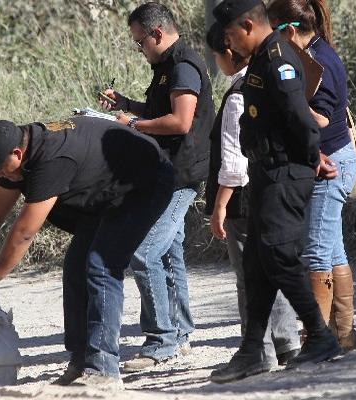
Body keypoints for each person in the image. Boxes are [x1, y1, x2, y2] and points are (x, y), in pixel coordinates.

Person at [0, 116, 175, 389]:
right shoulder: (16, 162)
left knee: (101, 265)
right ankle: (81, 363)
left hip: (146, 181)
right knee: (76, 267)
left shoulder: (52, 160)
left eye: (0, 167)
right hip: (107, 190)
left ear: (17, 153)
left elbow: (24, 232)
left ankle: (104, 369)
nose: (0, 174)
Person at [209, 0, 341, 384]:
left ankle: (319, 335)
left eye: (231, 35)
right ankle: (252, 350)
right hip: (266, 172)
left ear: (248, 26)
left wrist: (312, 157)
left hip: (286, 172)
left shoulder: (278, 57)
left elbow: (300, 116)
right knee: (256, 262)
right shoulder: (263, 57)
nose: (229, 44)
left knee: (279, 254)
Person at [99, 2, 215, 371]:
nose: (140, 49)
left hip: (182, 175)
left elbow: (180, 122)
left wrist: (132, 124)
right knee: (168, 252)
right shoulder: (167, 67)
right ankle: (179, 333)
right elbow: (158, 112)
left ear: (157, 34)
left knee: (144, 252)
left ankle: (160, 340)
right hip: (169, 172)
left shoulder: (182, 66)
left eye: (140, 42)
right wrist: (126, 105)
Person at [204, 22, 301, 370]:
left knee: (249, 279)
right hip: (272, 188)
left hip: (243, 199)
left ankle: (258, 352)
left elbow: (234, 161)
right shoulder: (268, 80)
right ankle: (287, 343)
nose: (217, 62)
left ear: (228, 52)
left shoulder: (237, 95)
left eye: (216, 55)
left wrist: (219, 205)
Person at [267, 0, 356, 352]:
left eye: (273, 33)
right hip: (333, 161)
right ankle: (344, 334)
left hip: (330, 164)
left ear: (290, 31)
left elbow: (320, 117)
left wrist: (285, 100)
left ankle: (317, 340)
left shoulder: (319, 60)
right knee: (333, 250)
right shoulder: (313, 53)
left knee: (317, 252)